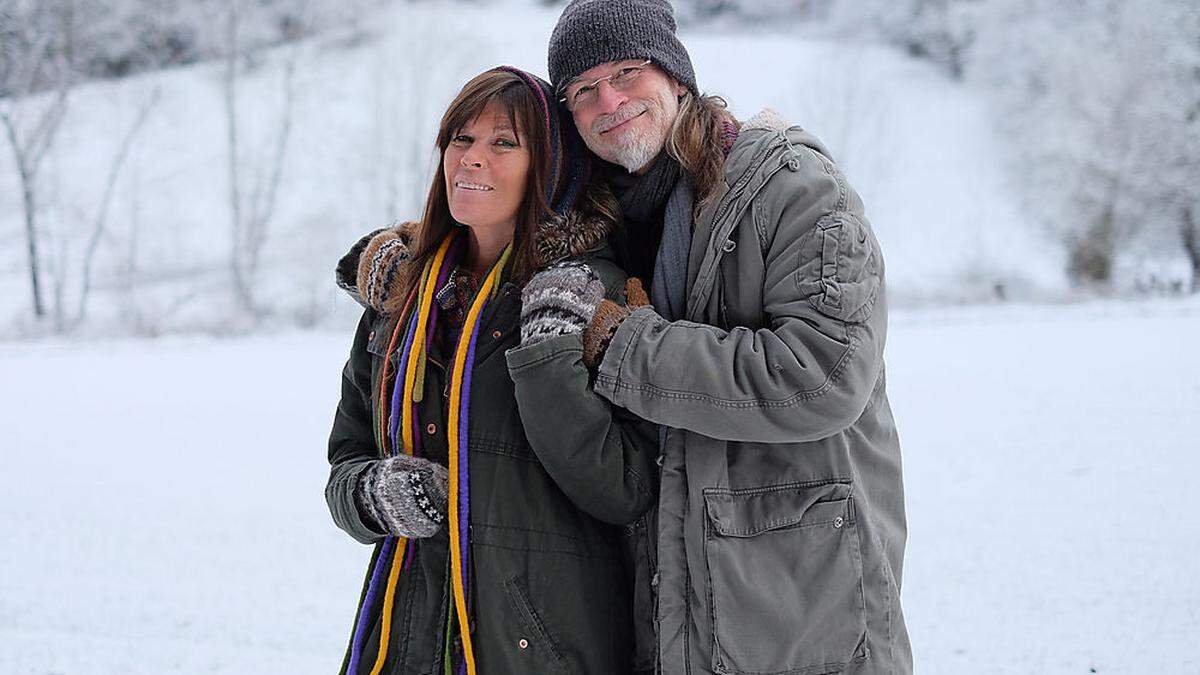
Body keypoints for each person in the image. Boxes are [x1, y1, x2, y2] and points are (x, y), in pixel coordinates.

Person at [508, 1, 915, 673]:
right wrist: (413, 261)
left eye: (627, 72)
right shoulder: (614, 227)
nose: (608, 101)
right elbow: (489, 219)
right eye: (582, 92)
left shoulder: (789, 188)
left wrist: (626, 347)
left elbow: (823, 376)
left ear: (674, 76)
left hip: (805, 615)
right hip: (682, 618)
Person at [325, 66, 658, 674]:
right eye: (461, 139)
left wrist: (549, 354)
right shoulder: (402, 297)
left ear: (550, 168)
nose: (472, 160)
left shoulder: (594, 295)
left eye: (504, 143)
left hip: (542, 650)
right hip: (407, 645)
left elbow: (625, 490)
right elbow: (345, 464)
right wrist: (374, 496)